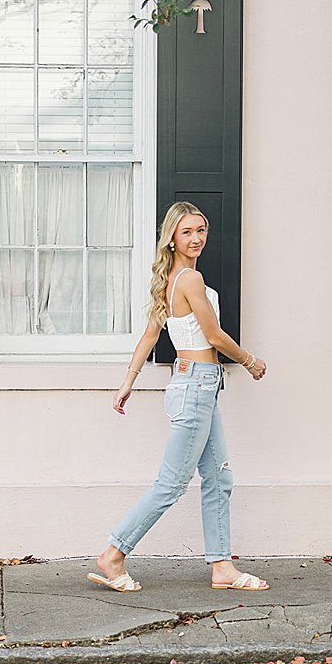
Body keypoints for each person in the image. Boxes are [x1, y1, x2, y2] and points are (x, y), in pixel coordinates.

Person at [87, 201, 268, 593]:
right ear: (172, 237)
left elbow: (151, 336)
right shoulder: (188, 280)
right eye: (187, 232)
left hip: (199, 384)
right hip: (197, 384)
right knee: (171, 484)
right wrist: (251, 361)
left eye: (201, 230)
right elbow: (215, 337)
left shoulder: (172, 278)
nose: (197, 238)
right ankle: (113, 554)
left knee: (219, 479)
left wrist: (128, 381)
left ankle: (222, 566)